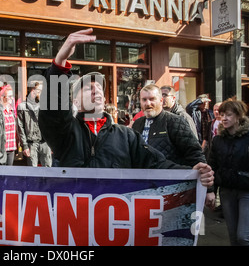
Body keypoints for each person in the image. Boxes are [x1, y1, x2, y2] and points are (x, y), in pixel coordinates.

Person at [38, 28, 214, 189]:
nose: (97, 91)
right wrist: (60, 62)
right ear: (75, 102)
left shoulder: (126, 136)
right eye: (89, 88)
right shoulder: (66, 132)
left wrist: (193, 172)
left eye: (99, 88)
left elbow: (156, 164)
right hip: (76, 216)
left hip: (114, 218)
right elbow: (53, 112)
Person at [208, 99, 249, 245]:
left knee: (244, 237)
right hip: (227, 192)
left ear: (239, 116)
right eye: (222, 114)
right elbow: (212, 166)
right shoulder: (218, 140)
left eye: (228, 115)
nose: (224, 118)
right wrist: (210, 191)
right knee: (234, 238)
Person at [132, 84, 206, 168]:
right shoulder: (137, 124)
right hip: (142, 178)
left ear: (161, 101)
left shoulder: (175, 121)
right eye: (144, 100)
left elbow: (194, 152)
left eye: (152, 99)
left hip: (170, 178)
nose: (148, 103)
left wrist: (200, 173)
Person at [17, 81, 52, 167]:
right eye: (36, 90)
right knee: (32, 172)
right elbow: (20, 128)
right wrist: (24, 146)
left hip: (45, 143)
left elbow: (52, 126)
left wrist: (53, 144)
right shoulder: (22, 107)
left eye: (40, 91)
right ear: (31, 91)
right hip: (31, 144)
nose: (38, 93)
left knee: (48, 171)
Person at [0, 84, 17, 165]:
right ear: (3, 97)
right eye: (10, 96)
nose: (12, 98)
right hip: (2, 148)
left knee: (9, 173)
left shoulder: (12, 111)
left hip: (11, 147)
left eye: (12, 96)